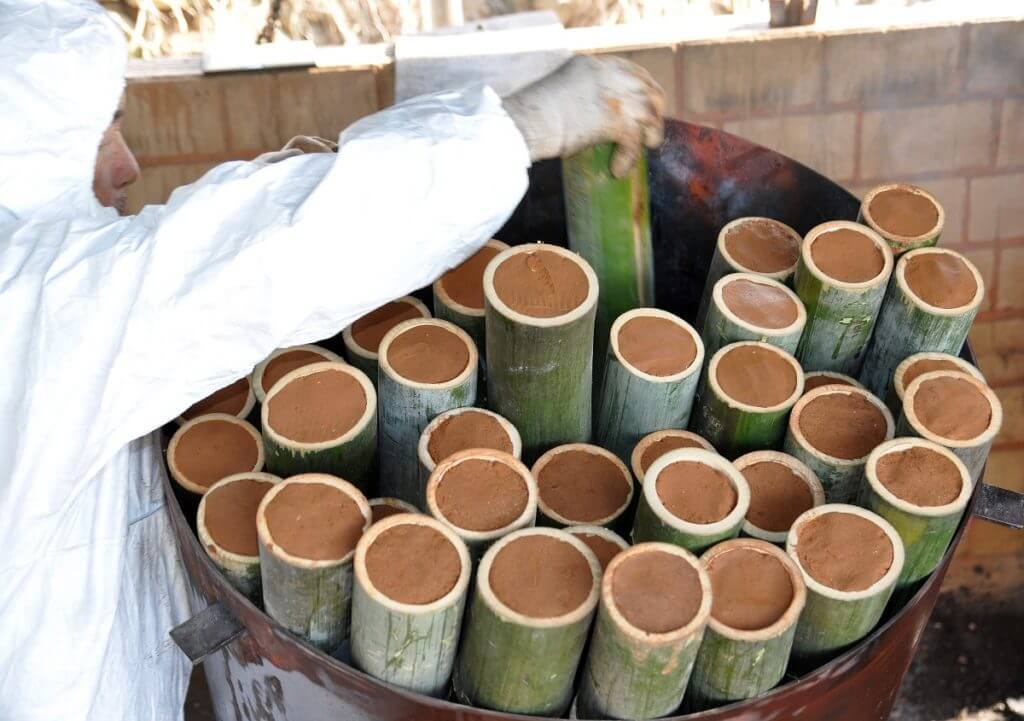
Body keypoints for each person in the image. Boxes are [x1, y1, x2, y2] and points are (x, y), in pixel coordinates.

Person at [0, 1, 664, 719]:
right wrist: (521, 130)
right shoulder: (45, 303)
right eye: (101, 133)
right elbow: (279, 253)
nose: (129, 164)